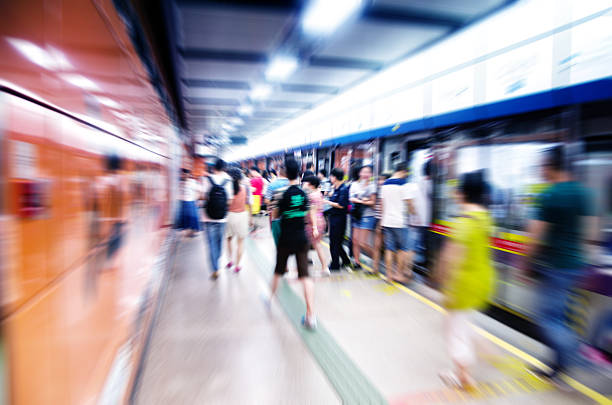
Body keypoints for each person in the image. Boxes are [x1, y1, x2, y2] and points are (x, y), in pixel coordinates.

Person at [523, 146, 596, 389]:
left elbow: (535, 236)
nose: (541, 171)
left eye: (542, 166)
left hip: (555, 266)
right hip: (576, 266)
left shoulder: (550, 195)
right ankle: (556, 370)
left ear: (550, 166)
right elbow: (591, 233)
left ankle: (582, 357)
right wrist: (580, 257)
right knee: (561, 318)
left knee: (547, 319)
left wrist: (524, 263)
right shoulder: (584, 193)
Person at [435, 170, 495, 390]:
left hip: (463, 283)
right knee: (464, 321)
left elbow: (453, 256)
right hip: (483, 280)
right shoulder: (485, 216)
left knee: (454, 330)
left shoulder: (464, 220)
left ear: (462, 193)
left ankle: (464, 376)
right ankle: (481, 346)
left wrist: (445, 283)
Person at [269, 159, 318, 329]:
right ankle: (310, 315)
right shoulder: (305, 193)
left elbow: (275, 215)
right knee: (305, 276)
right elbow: (307, 212)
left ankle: (270, 299)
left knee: (278, 271)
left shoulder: (280, 193)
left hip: (286, 238)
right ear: (299, 172)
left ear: (284, 172)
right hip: (301, 238)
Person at [380, 162, 415, 282]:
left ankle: (389, 276)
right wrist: (413, 212)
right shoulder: (404, 185)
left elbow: (383, 204)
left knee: (389, 249)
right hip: (400, 222)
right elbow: (409, 203)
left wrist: (382, 221)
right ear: (403, 171)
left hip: (387, 221)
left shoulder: (385, 184)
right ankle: (399, 274)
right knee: (401, 249)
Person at [201, 158, 234, 280]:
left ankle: (215, 268)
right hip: (222, 218)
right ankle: (217, 260)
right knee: (219, 242)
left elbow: (204, 197)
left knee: (211, 244)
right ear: (224, 168)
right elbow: (230, 201)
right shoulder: (228, 180)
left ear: (213, 168)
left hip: (208, 217)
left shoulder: (207, 180)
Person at [349, 165, 376, 269]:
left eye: (368, 172)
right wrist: (362, 200)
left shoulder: (372, 186)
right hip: (357, 214)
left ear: (371, 174)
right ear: (360, 173)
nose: (365, 174)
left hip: (368, 215)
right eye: (363, 172)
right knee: (355, 240)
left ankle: (376, 260)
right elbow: (351, 198)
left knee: (363, 243)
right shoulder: (354, 184)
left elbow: (373, 202)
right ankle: (357, 262)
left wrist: (362, 200)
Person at [302, 176, 329, 276]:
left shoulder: (311, 196)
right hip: (321, 220)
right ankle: (322, 266)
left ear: (311, 185)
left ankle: (325, 267)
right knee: (314, 244)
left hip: (313, 223)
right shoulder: (319, 194)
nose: (304, 184)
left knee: (316, 245)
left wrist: (314, 227)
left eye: (306, 183)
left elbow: (312, 212)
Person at [225, 168, 251, 273]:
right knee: (240, 242)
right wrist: (251, 217)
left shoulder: (227, 189)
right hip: (242, 216)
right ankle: (237, 265)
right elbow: (249, 203)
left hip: (229, 215)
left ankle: (230, 260)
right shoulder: (245, 188)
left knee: (229, 240)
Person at [326, 168, 351, 271]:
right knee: (337, 242)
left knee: (334, 242)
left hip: (339, 220)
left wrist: (327, 202)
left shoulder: (343, 189)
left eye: (331, 176)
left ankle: (335, 264)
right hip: (334, 218)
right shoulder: (337, 188)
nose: (330, 178)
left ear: (335, 177)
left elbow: (341, 205)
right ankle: (345, 260)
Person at [409, 160, 433, 268]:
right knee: (423, 242)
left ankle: (415, 261)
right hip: (426, 219)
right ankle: (421, 261)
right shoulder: (431, 184)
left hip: (418, 218)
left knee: (418, 241)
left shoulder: (417, 183)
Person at [265, 164, 290, 246]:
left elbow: (267, 200)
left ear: (278, 172)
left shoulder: (272, 185)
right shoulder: (292, 184)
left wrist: (275, 204)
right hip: (290, 214)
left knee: (277, 237)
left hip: (276, 215)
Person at [372, 173, 391, 274]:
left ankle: (388, 271)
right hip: (379, 220)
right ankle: (375, 268)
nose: (380, 182)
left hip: (383, 221)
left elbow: (384, 209)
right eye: (379, 180)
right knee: (377, 246)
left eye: (383, 180)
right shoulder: (380, 192)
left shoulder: (385, 192)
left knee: (385, 246)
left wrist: (380, 224)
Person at [175, 168, 201, 238]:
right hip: (182, 202)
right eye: (182, 174)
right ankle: (187, 232)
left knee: (192, 219)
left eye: (184, 174)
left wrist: (196, 200)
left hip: (191, 202)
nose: (182, 175)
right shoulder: (179, 182)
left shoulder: (193, 182)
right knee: (184, 219)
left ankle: (192, 232)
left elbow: (199, 191)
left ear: (188, 174)